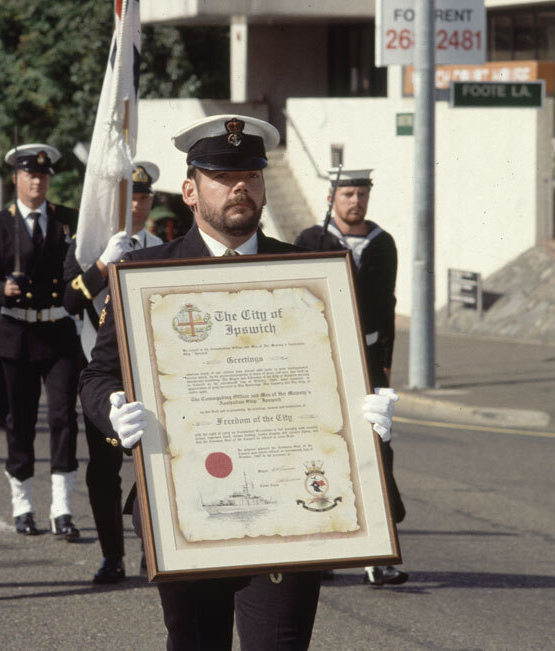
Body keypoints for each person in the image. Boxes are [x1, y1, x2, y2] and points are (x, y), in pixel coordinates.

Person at [78, 115, 400, 650]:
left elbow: (339, 375)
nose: (240, 188)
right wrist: (113, 414)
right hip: (187, 508)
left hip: (288, 511)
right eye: (222, 176)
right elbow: (99, 373)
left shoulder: (310, 272)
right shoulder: (143, 273)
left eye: (251, 175)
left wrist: (368, 417)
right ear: (189, 189)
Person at [294, 168, 407, 587]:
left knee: (378, 451)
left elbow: (389, 304)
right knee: (321, 451)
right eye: (347, 193)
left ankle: (379, 555)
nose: (355, 201)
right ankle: (321, 552)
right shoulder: (310, 241)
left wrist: (387, 364)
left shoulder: (382, 244)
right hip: (323, 359)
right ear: (331, 197)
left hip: (369, 357)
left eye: (361, 193)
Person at [0, 143, 84, 538]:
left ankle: (62, 508)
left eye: (42, 175)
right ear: (16, 179)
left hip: (56, 330)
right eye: (29, 175)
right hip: (17, 332)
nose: (37, 181)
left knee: (62, 419)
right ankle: (22, 504)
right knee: (19, 422)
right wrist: (2, 289)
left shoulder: (65, 219)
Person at [62, 162, 163, 584]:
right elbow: (68, 301)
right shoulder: (90, 247)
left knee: (152, 465)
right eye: (129, 198)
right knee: (104, 470)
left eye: (143, 198)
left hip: (150, 368)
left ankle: (154, 550)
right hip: (102, 370)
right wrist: (103, 264)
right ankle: (111, 555)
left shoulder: (161, 245)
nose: (136, 206)